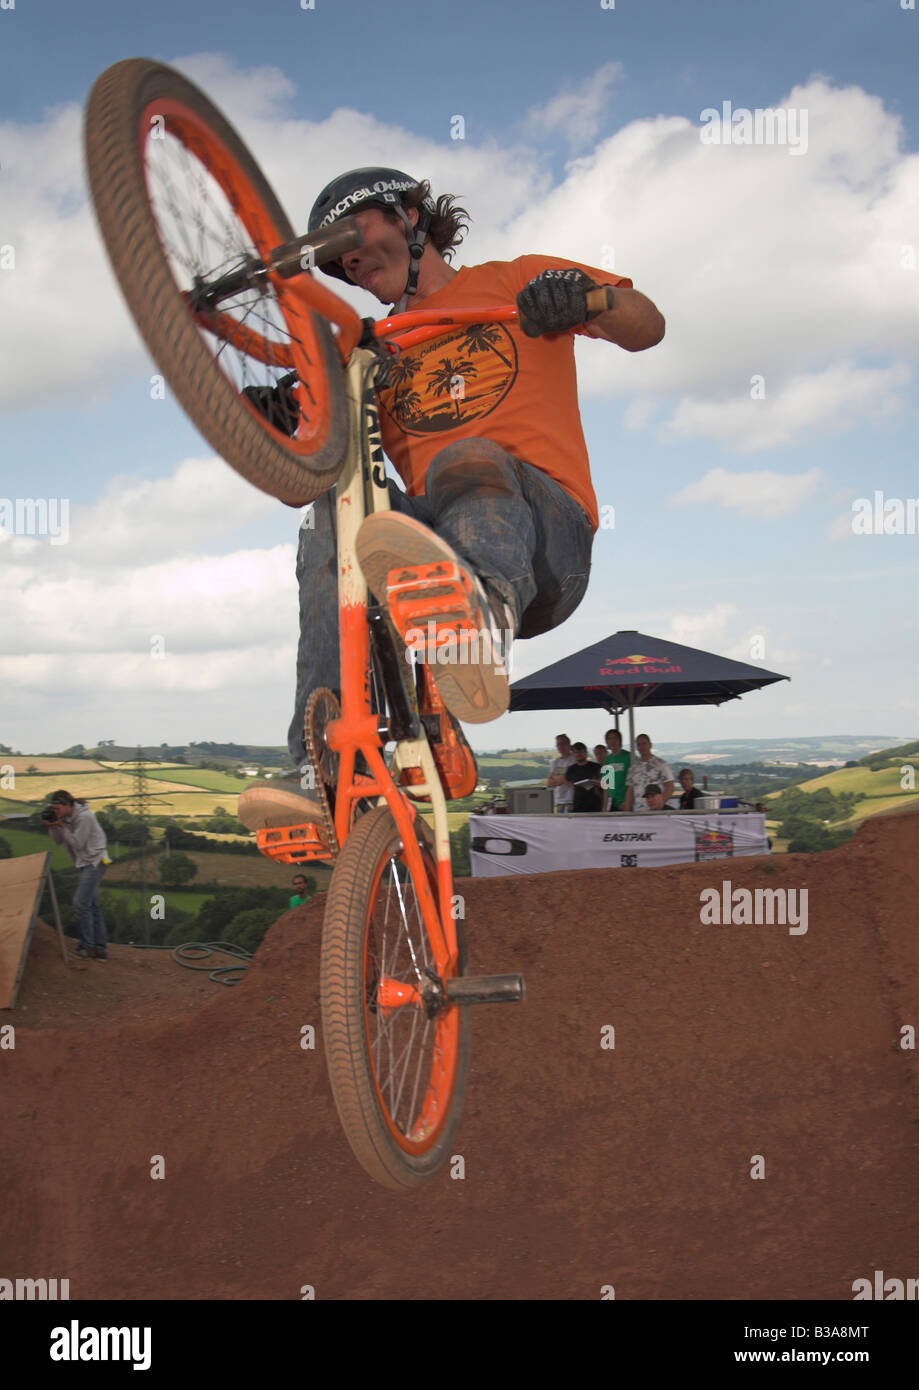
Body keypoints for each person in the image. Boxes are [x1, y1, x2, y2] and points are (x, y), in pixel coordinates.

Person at [238, 169, 665, 833]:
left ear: (411, 216)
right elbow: (312, 454)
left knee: (466, 458)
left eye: (354, 233)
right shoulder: (370, 347)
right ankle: (326, 767)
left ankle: (480, 626)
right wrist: (274, 414)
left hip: (544, 544)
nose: (346, 259)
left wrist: (587, 300)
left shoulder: (512, 280)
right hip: (435, 544)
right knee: (332, 514)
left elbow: (646, 326)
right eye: (333, 259)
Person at [43, 790, 108, 959]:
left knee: (80, 903)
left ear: (67, 805)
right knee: (91, 904)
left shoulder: (85, 817)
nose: (55, 812)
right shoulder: (65, 817)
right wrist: (52, 825)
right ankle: (100, 949)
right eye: (53, 809)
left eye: (57, 808)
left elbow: (77, 844)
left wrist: (62, 826)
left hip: (95, 861)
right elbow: (58, 840)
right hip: (83, 862)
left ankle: (87, 946)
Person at [623, 734, 674, 814]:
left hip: (657, 813)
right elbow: (630, 791)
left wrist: (660, 804)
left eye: (644, 744)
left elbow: (670, 787)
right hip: (638, 812)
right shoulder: (633, 768)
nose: (642, 747)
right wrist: (627, 811)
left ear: (650, 745)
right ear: (636, 747)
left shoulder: (661, 764)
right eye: (639, 744)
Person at [564, 743, 603, 812]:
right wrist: (574, 787)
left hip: (594, 805)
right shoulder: (571, 769)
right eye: (576, 752)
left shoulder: (596, 767)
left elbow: (605, 784)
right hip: (577, 805)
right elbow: (566, 780)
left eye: (581, 751)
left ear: (586, 753)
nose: (578, 754)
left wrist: (596, 784)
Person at [601, 728, 630, 811]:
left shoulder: (629, 757)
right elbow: (606, 784)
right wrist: (605, 807)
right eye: (609, 739)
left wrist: (628, 802)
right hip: (612, 803)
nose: (612, 741)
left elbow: (633, 782)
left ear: (620, 740)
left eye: (615, 738)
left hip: (625, 802)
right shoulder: (608, 759)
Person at [546, 733, 576, 814]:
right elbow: (549, 783)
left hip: (572, 801)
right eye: (558, 744)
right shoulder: (556, 762)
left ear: (569, 745)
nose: (561, 746)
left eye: (563, 743)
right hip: (559, 802)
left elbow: (575, 781)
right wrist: (563, 779)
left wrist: (558, 778)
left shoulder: (575, 759)